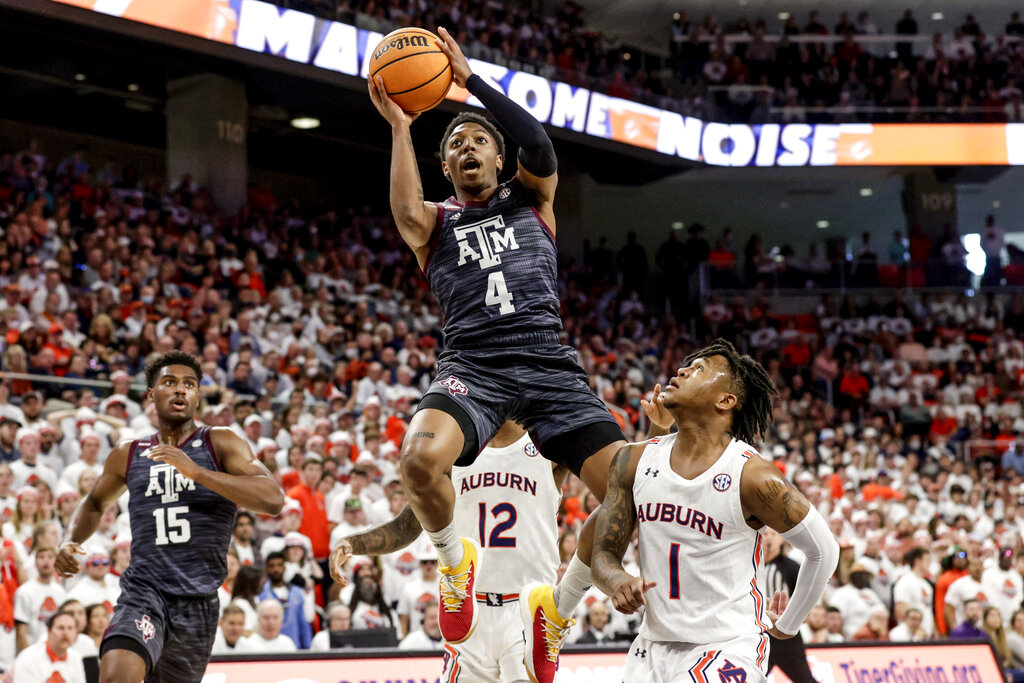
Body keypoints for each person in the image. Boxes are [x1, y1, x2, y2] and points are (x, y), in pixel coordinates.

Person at [368, 26, 629, 681]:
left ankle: (557, 609)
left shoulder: (534, 199)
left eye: (478, 138)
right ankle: (455, 565)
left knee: (630, 494)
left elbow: (539, 143)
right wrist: (401, 127)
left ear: (498, 157)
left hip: (547, 364)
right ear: (448, 170)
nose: (466, 147)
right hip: (473, 369)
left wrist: (470, 82)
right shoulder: (438, 224)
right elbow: (403, 211)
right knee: (418, 460)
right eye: (455, 144)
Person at [591, 340, 839, 683]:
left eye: (699, 370)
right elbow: (603, 553)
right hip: (651, 647)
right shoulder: (632, 460)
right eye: (685, 366)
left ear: (725, 401)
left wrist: (787, 626)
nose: (681, 371)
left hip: (726, 645)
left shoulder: (752, 476)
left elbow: (824, 550)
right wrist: (617, 580)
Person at [54, 351, 284, 683]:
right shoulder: (129, 453)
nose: (181, 390)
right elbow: (92, 502)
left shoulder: (220, 442)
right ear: (151, 395)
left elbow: (273, 499)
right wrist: (70, 540)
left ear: (197, 395)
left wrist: (198, 472)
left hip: (198, 601)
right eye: (170, 382)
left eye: (190, 384)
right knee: (117, 676)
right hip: (145, 591)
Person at [330, 421, 567, 682]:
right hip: (466, 608)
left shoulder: (549, 447)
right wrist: (353, 543)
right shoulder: (455, 454)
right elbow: (407, 525)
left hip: (528, 611)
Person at [761, 528, 816, 683]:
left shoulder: (790, 567)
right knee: (750, 675)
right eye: (765, 534)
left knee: (804, 678)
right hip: (759, 632)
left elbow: (807, 595)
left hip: (785, 635)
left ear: (782, 540)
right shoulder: (751, 566)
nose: (769, 538)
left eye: (773, 534)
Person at [14, 547, 66, 652]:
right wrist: (27, 657)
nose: (46, 561)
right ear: (35, 563)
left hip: (56, 651)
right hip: (34, 650)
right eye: (41, 557)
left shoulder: (60, 591)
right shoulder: (24, 591)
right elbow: (20, 631)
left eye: (50, 557)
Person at [11, 610, 85, 683]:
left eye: (70, 628)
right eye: (60, 628)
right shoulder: (28, 657)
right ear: (49, 631)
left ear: (76, 633)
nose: (65, 633)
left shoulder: (76, 657)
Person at [258, 551, 311, 650]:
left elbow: (303, 623)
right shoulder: (260, 594)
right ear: (266, 568)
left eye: (279, 565)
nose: (276, 569)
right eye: (272, 566)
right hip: (267, 649)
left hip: (294, 647)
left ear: (285, 567)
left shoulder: (297, 593)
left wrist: (307, 647)